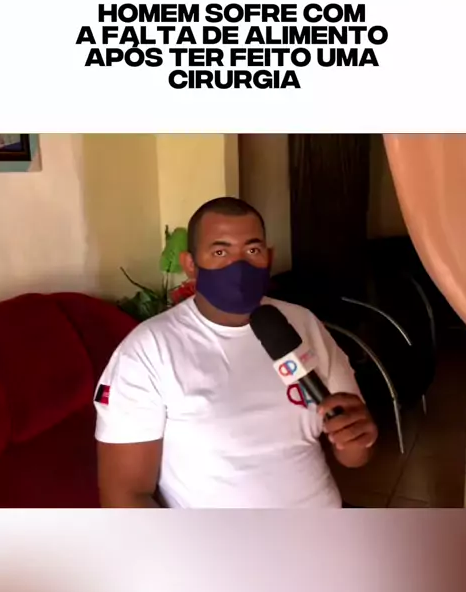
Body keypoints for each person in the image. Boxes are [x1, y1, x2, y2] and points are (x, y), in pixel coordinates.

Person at [95, 197, 378, 508]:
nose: (239, 265)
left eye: (252, 250)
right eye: (220, 252)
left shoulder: (303, 324)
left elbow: (355, 456)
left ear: (269, 257)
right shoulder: (148, 350)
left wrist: (358, 436)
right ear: (190, 264)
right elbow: (125, 496)